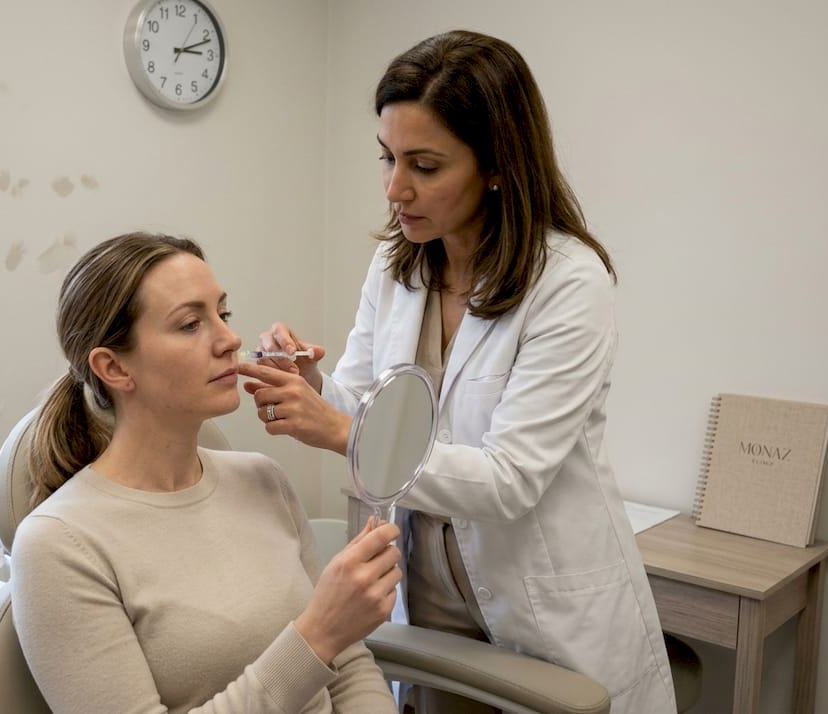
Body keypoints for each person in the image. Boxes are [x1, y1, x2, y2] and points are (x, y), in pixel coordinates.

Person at [236, 31, 677, 714]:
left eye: (424, 165)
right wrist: (312, 387)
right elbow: (369, 403)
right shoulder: (398, 266)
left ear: (496, 164)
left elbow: (510, 479)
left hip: (545, 614)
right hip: (430, 601)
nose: (395, 188)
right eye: (387, 158)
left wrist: (342, 431)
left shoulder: (568, 282)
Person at [11, 232, 403, 714]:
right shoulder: (57, 545)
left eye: (224, 313)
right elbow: (326, 644)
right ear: (114, 368)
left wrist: (329, 638)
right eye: (190, 324)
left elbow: (349, 668)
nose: (230, 340)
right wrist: (317, 635)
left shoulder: (263, 480)